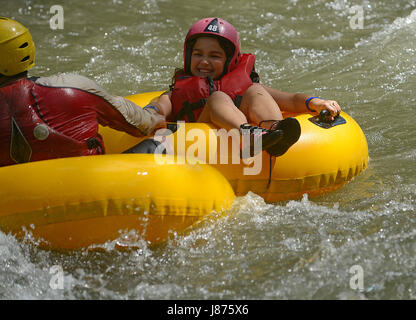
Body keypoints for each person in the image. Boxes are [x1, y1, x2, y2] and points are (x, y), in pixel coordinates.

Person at [144, 17, 342, 158]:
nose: (204, 61)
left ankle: (274, 133)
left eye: (214, 56)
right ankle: (248, 134)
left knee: (256, 90)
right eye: (198, 54)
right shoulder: (174, 94)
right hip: (198, 145)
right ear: (188, 57)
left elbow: (290, 99)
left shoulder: (243, 86)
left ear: (229, 61)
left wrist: (315, 102)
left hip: (243, 142)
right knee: (218, 98)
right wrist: (149, 111)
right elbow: (158, 108)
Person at [0, 17, 165, 167]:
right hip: (89, 185)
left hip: (18, 195)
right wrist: (155, 116)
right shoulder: (72, 88)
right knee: (160, 144)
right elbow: (138, 124)